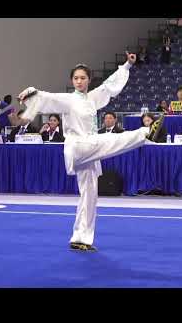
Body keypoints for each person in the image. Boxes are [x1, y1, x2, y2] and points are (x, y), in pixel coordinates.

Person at [13, 52, 165, 252]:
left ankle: (81, 238)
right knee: (110, 139)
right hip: (78, 146)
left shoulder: (92, 98)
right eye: (75, 78)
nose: (79, 81)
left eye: (83, 78)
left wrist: (127, 65)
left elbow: (109, 85)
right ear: (71, 80)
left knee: (90, 195)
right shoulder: (67, 99)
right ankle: (145, 133)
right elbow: (46, 98)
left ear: (88, 80)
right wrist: (31, 94)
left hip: (90, 150)